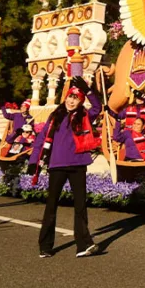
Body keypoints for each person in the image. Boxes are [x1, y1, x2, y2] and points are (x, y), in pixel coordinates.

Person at [28, 77, 101, 258]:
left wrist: (90, 91)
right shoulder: (55, 116)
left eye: (76, 99)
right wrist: (33, 160)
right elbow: (41, 139)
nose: (71, 101)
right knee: (51, 205)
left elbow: (98, 108)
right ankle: (45, 246)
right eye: (70, 97)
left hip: (78, 164)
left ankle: (83, 245)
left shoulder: (84, 115)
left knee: (80, 206)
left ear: (80, 101)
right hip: (57, 165)